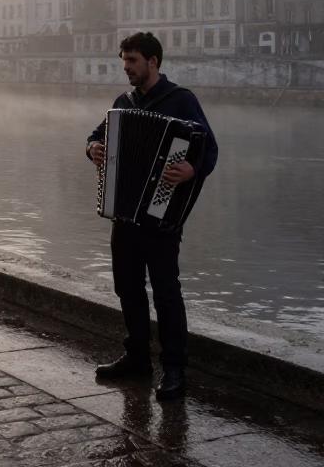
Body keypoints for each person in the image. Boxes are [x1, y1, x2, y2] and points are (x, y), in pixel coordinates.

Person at [86, 31, 218, 402]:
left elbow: (209, 148)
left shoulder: (181, 101)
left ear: (153, 62)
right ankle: (137, 358)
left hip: (161, 216)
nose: (126, 68)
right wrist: (93, 147)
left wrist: (192, 169)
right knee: (127, 286)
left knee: (166, 292)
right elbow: (97, 134)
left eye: (132, 61)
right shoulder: (122, 102)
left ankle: (175, 369)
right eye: (124, 61)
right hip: (125, 215)